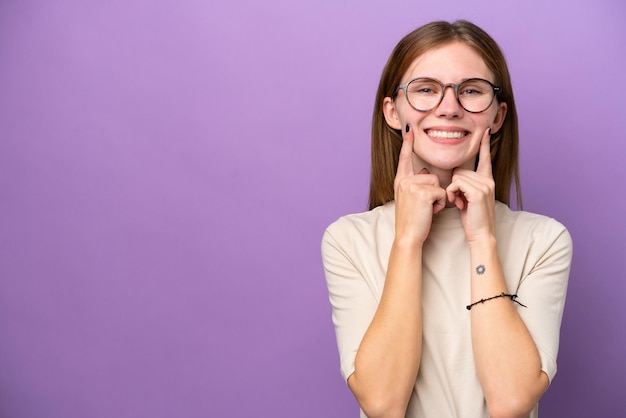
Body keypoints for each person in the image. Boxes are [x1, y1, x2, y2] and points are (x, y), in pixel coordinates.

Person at [321, 20, 572, 418]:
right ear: (392, 111)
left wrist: (482, 239)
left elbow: (510, 403)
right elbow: (383, 404)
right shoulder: (348, 240)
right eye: (426, 89)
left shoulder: (544, 239)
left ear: (497, 116)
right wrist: (406, 242)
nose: (449, 107)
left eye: (471, 90)